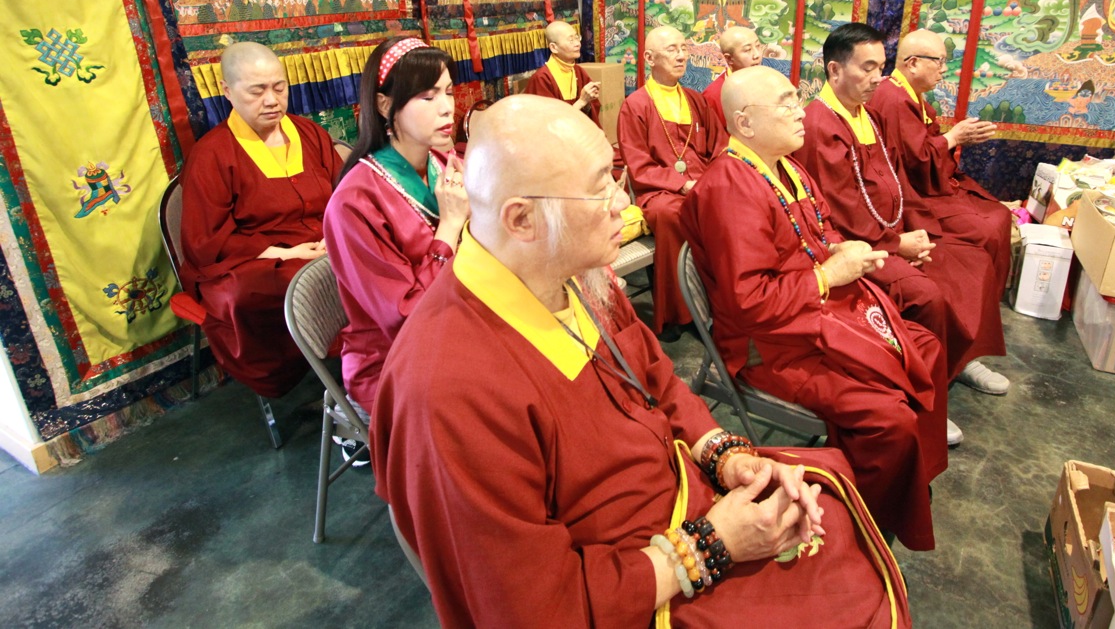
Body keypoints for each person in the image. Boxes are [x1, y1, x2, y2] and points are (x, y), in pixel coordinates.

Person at [370, 95, 912, 627]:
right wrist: (711, 545)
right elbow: (530, 607)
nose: (623, 206)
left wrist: (724, 457)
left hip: (678, 492)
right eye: (600, 188)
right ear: (522, 220)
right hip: (635, 577)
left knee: (831, 512)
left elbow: (657, 378)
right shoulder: (447, 388)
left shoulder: (569, 270)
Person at [681, 66, 948, 551]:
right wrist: (828, 276)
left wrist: (844, 249)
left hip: (814, 313)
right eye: (785, 103)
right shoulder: (729, 189)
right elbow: (750, 302)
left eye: (796, 100)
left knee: (924, 346)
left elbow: (821, 231)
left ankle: (906, 484)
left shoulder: (786, 166)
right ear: (744, 123)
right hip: (771, 345)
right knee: (890, 419)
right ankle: (865, 526)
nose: (800, 112)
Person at [794, 24, 1005, 447]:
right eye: (867, 68)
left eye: (881, 67)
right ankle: (923, 398)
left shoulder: (866, 113)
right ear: (835, 70)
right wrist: (897, 246)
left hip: (889, 231)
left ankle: (957, 359)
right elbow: (843, 209)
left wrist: (912, 233)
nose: (878, 78)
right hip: (854, 245)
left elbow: (893, 179)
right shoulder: (822, 124)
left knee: (970, 257)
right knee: (928, 296)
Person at [179, 42, 343, 398]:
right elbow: (206, 241)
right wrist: (287, 253)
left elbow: (344, 196)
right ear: (226, 91)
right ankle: (309, 371)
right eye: (257, 91)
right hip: (261, 260)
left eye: (279, 87)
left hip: (325, 242)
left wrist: (335, 236)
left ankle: (367, 357)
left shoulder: (310, 134)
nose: (272, 100)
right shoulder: (212, 155)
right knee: (270, 289)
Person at [323, 38, 469, 419]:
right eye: (428, 96)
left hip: (458, 321)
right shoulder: (354, 203)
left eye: (449, 91)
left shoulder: (443, 162)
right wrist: (451, 226)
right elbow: (403, 318)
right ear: (385, 105)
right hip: (396, 358)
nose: (447, 107)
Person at [870, 28, 1013, 396]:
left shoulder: (909, 96)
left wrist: (952, 140)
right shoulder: (891, 98)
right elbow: (914, 162)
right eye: (939, 61)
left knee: (997, 219)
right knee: (980, 238)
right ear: (912, 63)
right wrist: (953, 138)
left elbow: (916, 154)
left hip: (922, 187)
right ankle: (956, 355)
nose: (944, 69)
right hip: (910, 197)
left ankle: (965, 353)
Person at [617, 25, 726, 337]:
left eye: (684, 48)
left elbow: (719, 148)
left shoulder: (695, 100)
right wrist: (682, 184)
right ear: (650, 58)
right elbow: (639, 164)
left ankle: (722, 304)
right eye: (672, 50)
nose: (681, 56)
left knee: (731, 207)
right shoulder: (636, 105)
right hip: (660, 191)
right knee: (672, 215)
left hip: (702, 183)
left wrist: (714, 181)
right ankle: (681, 315)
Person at [523, 20, 602, 124]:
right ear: (554, 48)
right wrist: (581, 102)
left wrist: (588, 102)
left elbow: (594, 106)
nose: (578, 44)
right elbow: (547, 122)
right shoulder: (542, 78)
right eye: (570, 40)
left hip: (579, 130)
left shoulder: (579, 71)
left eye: (577, 37)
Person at [703, 25, 765, 131]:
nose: (757, 55)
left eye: (758, 46)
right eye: (747, 50)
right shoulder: (714, 95)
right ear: (729, 59)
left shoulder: (767, 83)